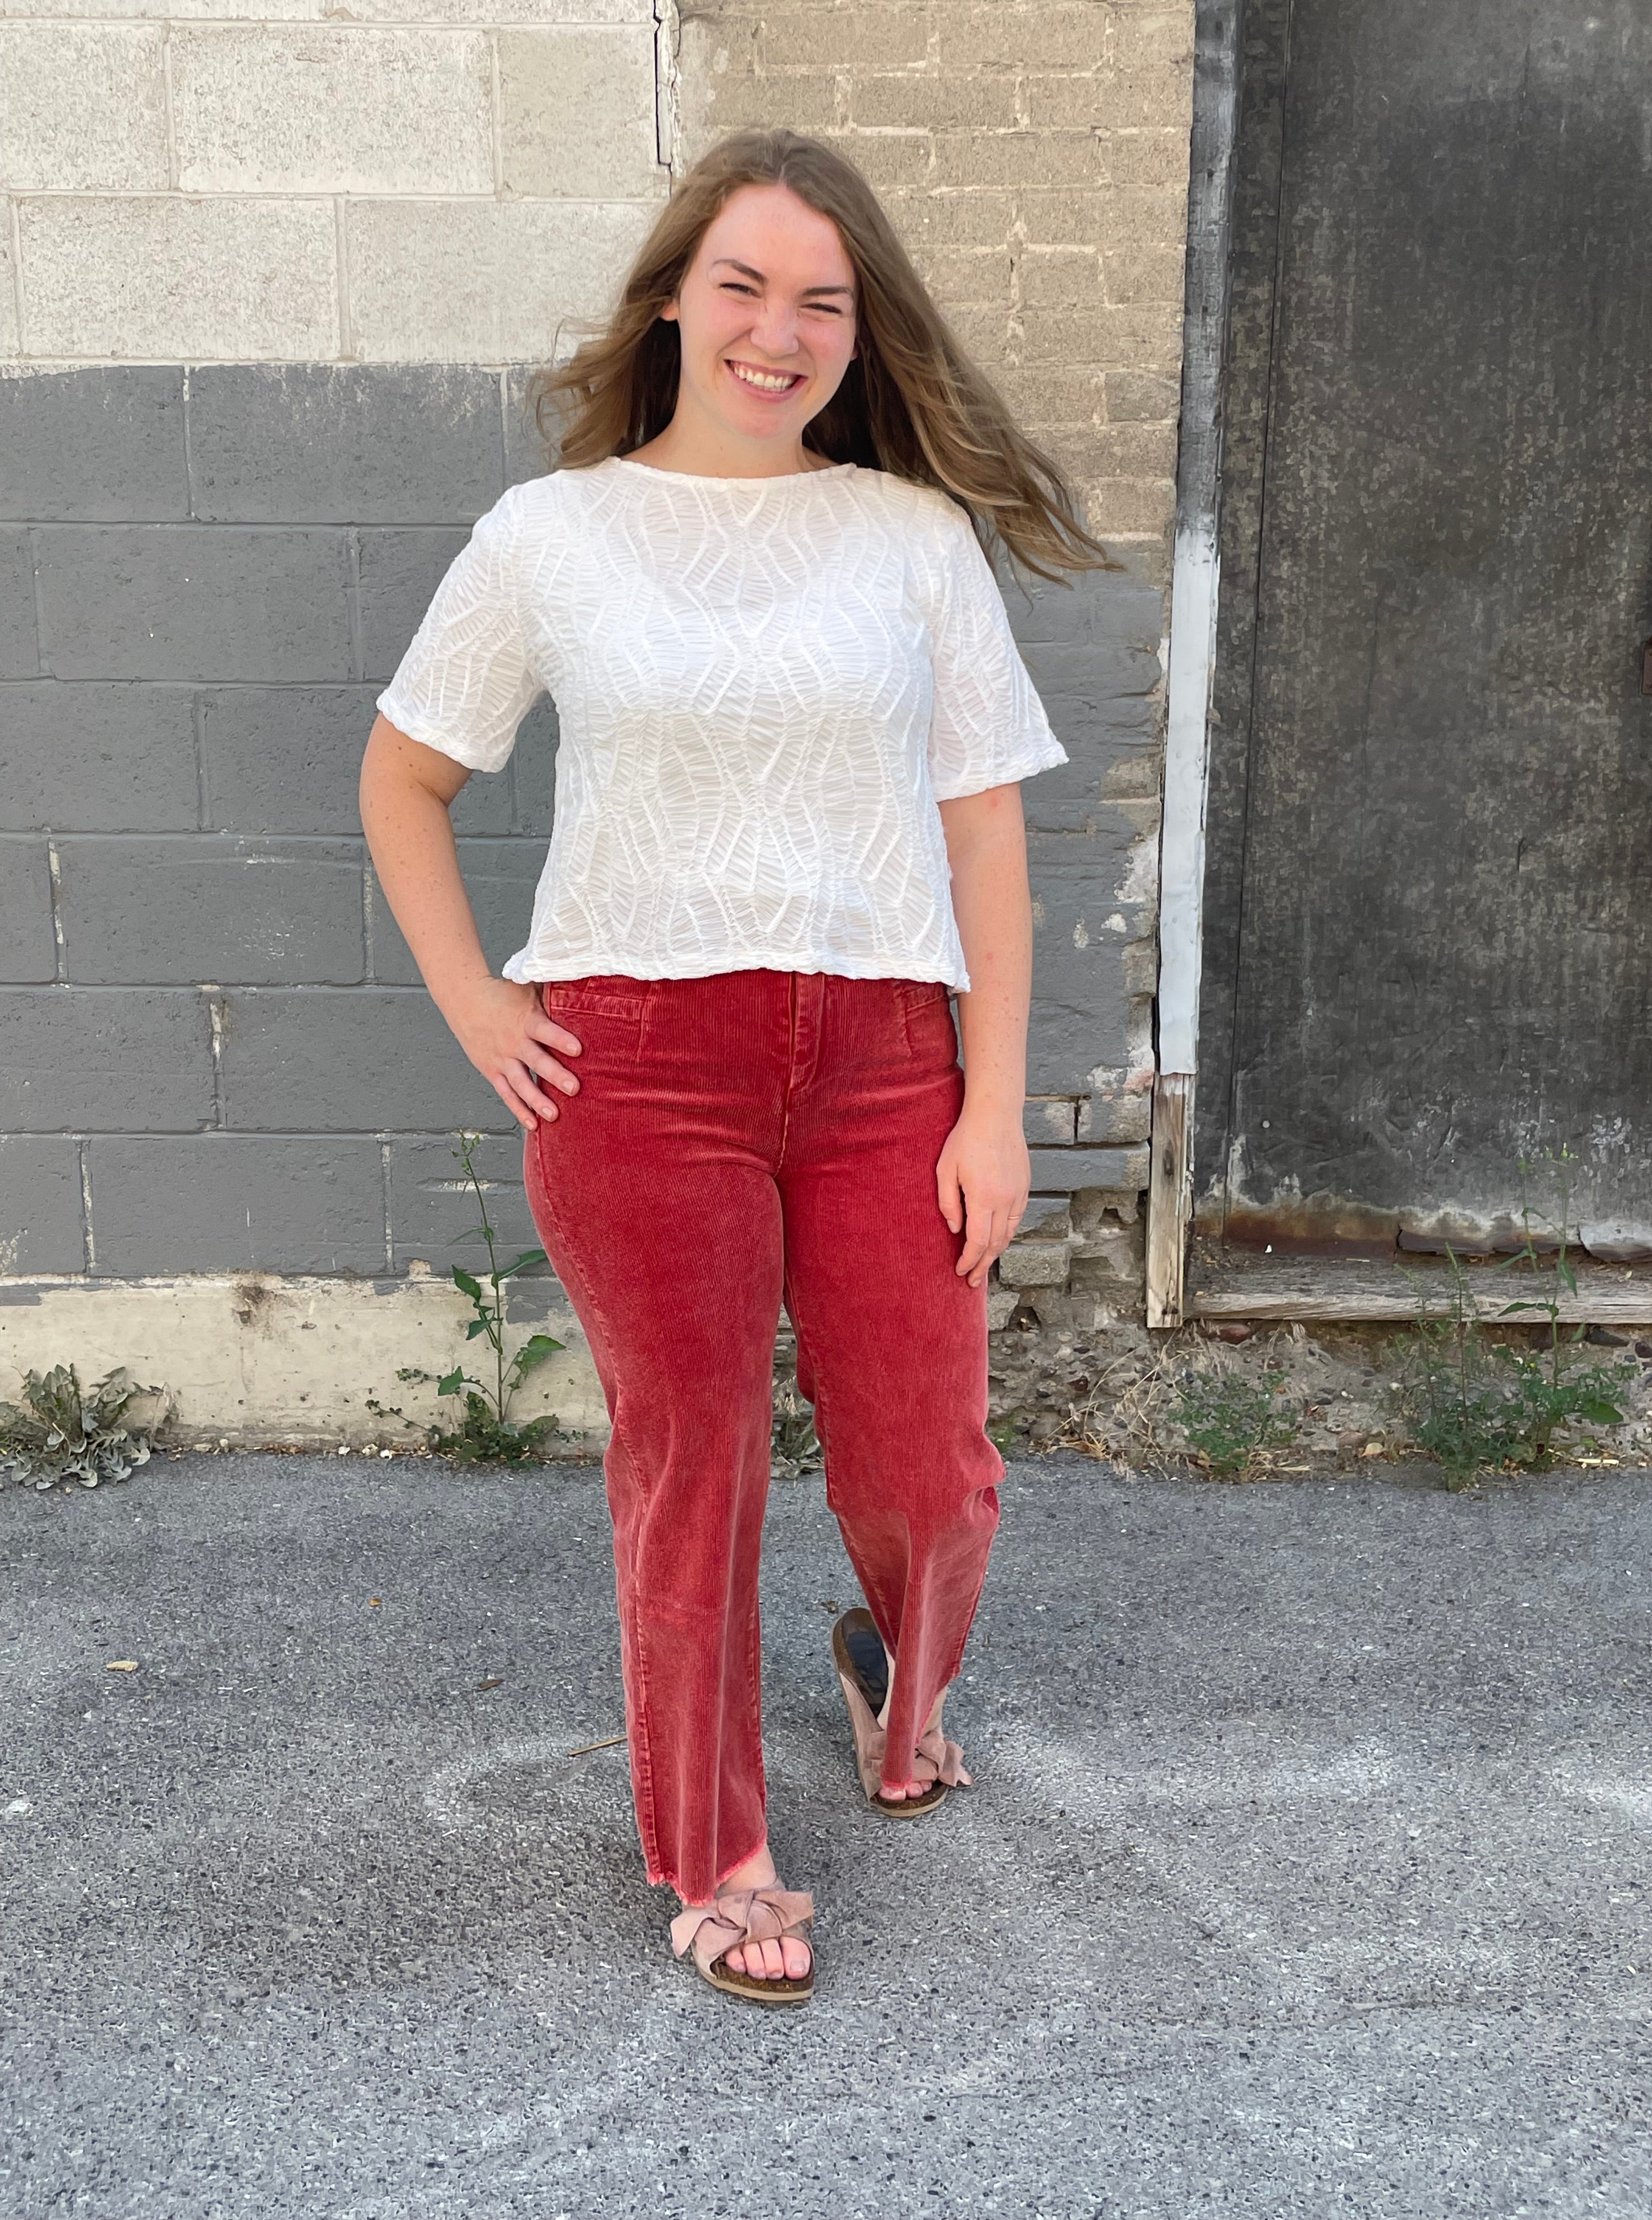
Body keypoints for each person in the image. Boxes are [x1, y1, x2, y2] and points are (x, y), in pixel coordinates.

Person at [360, 128, 1112, 2006]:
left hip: (881, 1061)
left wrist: (993, 1103)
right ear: (677, 298)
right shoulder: (553, 536)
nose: (777, 331)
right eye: (743, 286)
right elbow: (405, 776)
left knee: (929, 1466)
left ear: (863, 335)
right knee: (691, 1467)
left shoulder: (913, 541)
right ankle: (716, 1849)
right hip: (643, 1065)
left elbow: (988, 840)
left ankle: (900, 1675)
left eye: (822, 302)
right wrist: (479, 1004)